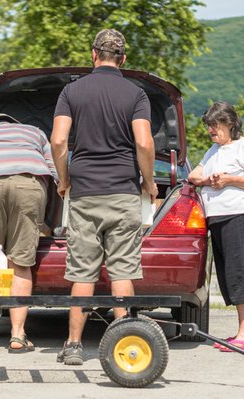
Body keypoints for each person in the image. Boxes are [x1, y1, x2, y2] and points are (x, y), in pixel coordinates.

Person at [50, 28, 158, 366]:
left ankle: (73, 345)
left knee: (82, 272)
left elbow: (57, 142)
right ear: (123, 59)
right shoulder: (136, 94)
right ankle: (126, 348)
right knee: (122, 270)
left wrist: (64, 179)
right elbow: (143, 143)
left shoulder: (71, 91)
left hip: (84, 192)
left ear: (93, 54)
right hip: (124, 190)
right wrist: (149, 181)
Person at [0, 113, 58, 353]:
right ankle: (18, 335)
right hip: (28, 184)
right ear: (16, 124)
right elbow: (53, 170)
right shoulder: (35, 131)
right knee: (20, 261)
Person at [188, 101, 244, 352]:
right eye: (208, 125)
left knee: (239, 272)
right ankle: (240, 332)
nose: (211, 130)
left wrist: (229, 179)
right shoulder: (213, 150)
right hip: (218, 217)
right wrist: (210, 179)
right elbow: (194, 176)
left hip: (239, 213)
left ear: (230, 124)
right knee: (227, 274)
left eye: (215, 125)